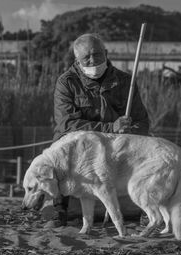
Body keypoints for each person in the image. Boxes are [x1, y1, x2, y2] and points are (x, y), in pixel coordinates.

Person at [49, 33, 150, 227]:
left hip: (116, 144)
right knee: (56, 153)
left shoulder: (125, 82)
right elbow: (67, 124)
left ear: (106, 53)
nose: (92, 60)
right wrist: (110, 127)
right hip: (79, 143)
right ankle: (59, 210)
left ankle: (144, 207)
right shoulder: (66, 82)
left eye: (97, 54)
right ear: (77, 60)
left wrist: (130, 132)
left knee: (147, 151)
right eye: (86, 57)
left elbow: (142, 123)